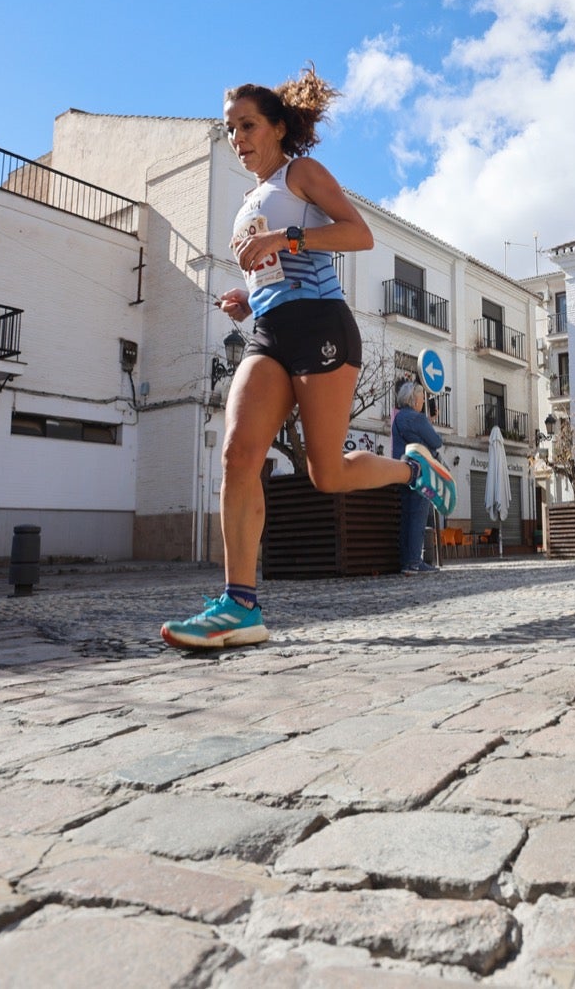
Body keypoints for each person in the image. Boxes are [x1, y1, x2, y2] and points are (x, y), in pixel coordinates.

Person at [162, 67, 456, 649]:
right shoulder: (248, 201)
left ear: (275, 127)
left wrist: (286, 241)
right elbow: (272, 271)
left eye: (246, 126)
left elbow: (359, 235)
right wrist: (248, 298)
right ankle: (240, 605)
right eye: (229, 130)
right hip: (270, 331)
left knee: (327, 473)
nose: (237, 138)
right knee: (239, 453)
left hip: (323, 324)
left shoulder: (302, 173)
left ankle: (413, 470)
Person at [392, 380, 444, 574]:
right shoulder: (418, 418)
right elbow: (436, 442)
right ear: (414, 400)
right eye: (421, 398)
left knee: (406, 516)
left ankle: (406, 561)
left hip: (402, 470)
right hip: (421, 472)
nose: (423, 402)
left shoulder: (398, 419)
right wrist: (429, 424)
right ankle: (415, 562)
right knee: (418, 516)